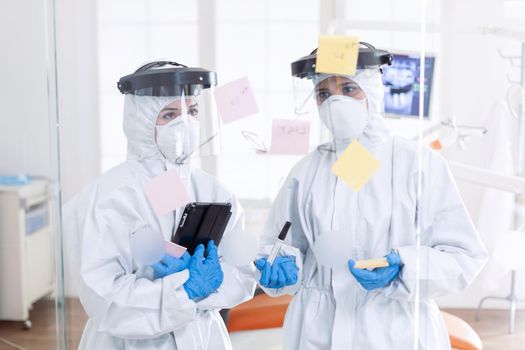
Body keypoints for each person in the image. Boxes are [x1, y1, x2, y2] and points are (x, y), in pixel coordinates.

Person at [255, 44, 488, 349]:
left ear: (373, 91)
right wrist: (280, 266)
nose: (335, 102)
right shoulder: (306, 171)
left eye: (348, 88)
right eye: (324, 94)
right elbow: (281, 244)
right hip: (317, 331)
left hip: (396, 329)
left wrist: (405, 267)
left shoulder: (418, 165)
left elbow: (464, 256)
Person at [63, 61, 255, 349]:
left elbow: (241, 272)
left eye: (191, 111)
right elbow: (103, 297)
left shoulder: (213, 190)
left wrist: (212, 283)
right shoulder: (105, 197)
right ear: (141, 122)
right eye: (169, 114)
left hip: (202, 336)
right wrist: (183, 291)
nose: (185, 124)